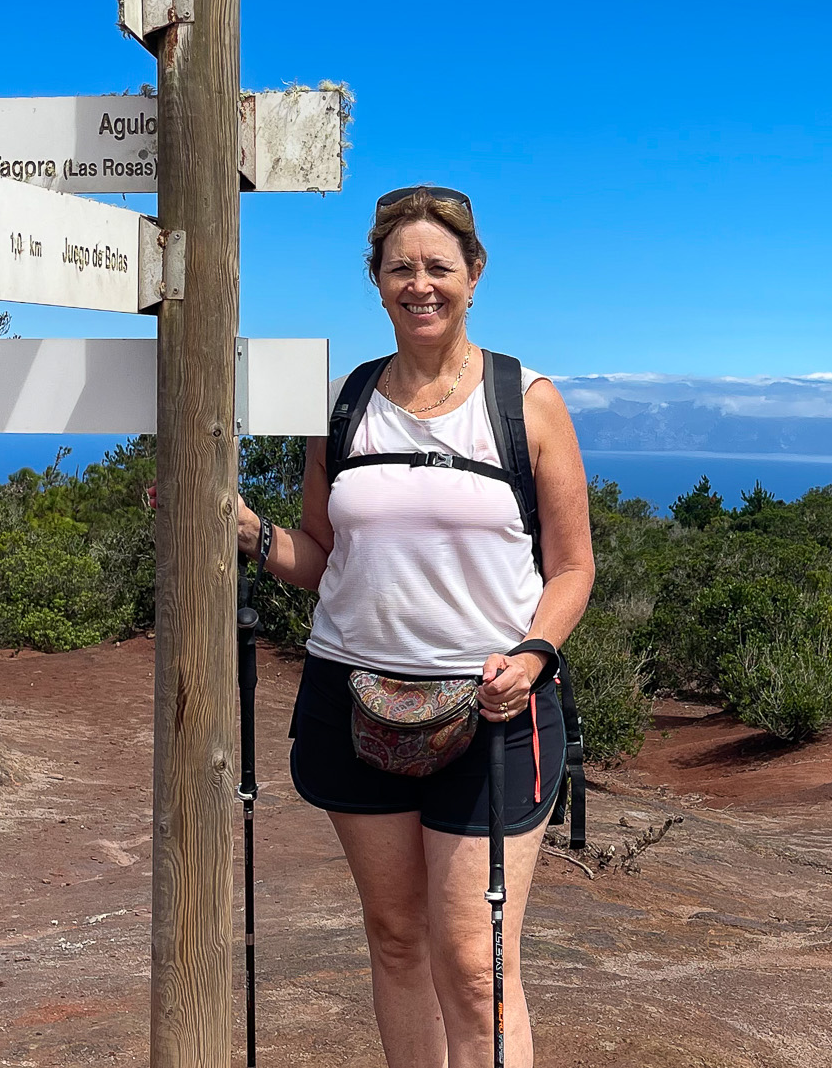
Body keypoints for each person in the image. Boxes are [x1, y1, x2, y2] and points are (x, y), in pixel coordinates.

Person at [237, 184, 594, 1068]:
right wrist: (248, 533)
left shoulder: (526, 400)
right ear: (377, 280)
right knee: (396, 937)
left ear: (474, 274)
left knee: (475, 962)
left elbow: (573, 565)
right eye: (402, 268)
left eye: (439, 266)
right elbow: (322, 556)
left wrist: (536, 651)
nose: (420, 283)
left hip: (496, 711)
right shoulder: (346, 404)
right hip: (352, 700)